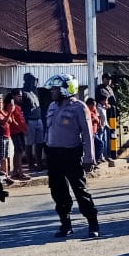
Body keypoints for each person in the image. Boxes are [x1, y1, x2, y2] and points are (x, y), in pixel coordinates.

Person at [44, 74, 99, 238]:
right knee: (58, 191)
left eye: (55, 89)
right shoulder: (52, 106)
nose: (52, 92)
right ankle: (65, 224)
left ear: (66, 89)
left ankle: (93, 224)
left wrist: (90, 157)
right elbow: (49, 131)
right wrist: (42, 151)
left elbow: (88, 134)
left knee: (80, 190)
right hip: (53, 154)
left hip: (71, 154)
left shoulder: (79, 107)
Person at [21, 74, 46, 172]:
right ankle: (31, 164)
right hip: (29, 120)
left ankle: (39, 163)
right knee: (29, 143)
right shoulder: (23, 92)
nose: (34, 82)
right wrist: (25, 122)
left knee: (39, 143)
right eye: (33, 81)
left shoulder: (34, 91)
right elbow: (22, 109)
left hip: (38, 119)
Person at [4, 94, 31, 180]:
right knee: (19, 151)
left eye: (21, 96)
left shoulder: (17, 106)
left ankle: (16, 171)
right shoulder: (10, 106)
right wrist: (20, 128)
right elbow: (12, 120)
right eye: (18, 96)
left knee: (19, 151)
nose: (20, 97)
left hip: (20, 131)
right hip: (15, 131)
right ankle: (20, 172)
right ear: (13, 97)